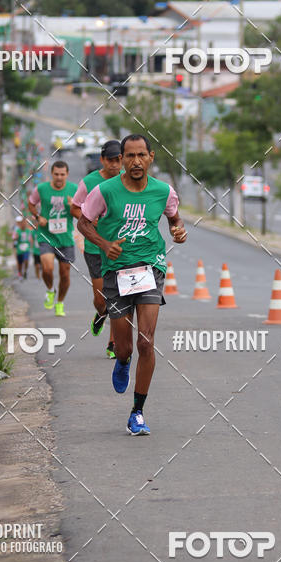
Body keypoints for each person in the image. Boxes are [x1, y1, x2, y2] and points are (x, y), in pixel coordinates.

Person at [78, 134, 186, 436]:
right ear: (122, 160)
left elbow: (174, 219)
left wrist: (178, 232)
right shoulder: (105, 191)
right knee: (125, 347)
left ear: (151, 157)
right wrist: (104, 243)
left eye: (142, 155)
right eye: (129, 156)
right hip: (116, 272)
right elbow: (83, 222)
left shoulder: (163, 191)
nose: (136, 162)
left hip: (151, 267)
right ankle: (122, 361)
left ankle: (137, 412)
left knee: (146, 341)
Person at [70, 140, 123, 358]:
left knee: (119, 297)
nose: (114, 164)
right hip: (94, 247)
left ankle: (114, 343)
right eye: (110, 160)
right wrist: (92, 224)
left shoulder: (127, 181)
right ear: (102, 160)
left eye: (118, 160)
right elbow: (75, 209)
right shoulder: (89, 182)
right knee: (102, 300)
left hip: (120, 249)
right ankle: (100, 314)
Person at [28, 161, 78, 316]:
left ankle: (60, 302)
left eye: (62, 174)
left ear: (67, 174)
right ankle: (50, 290)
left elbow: (83, 210)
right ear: (52, 174)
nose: (59, 177)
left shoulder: (74, 190)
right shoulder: (42, 189)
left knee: (65, 274)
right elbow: (31, 203)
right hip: (46, 235)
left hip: (65, 238)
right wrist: (37, 216)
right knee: (47, 268)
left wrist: (73, 207)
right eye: (56, 174)